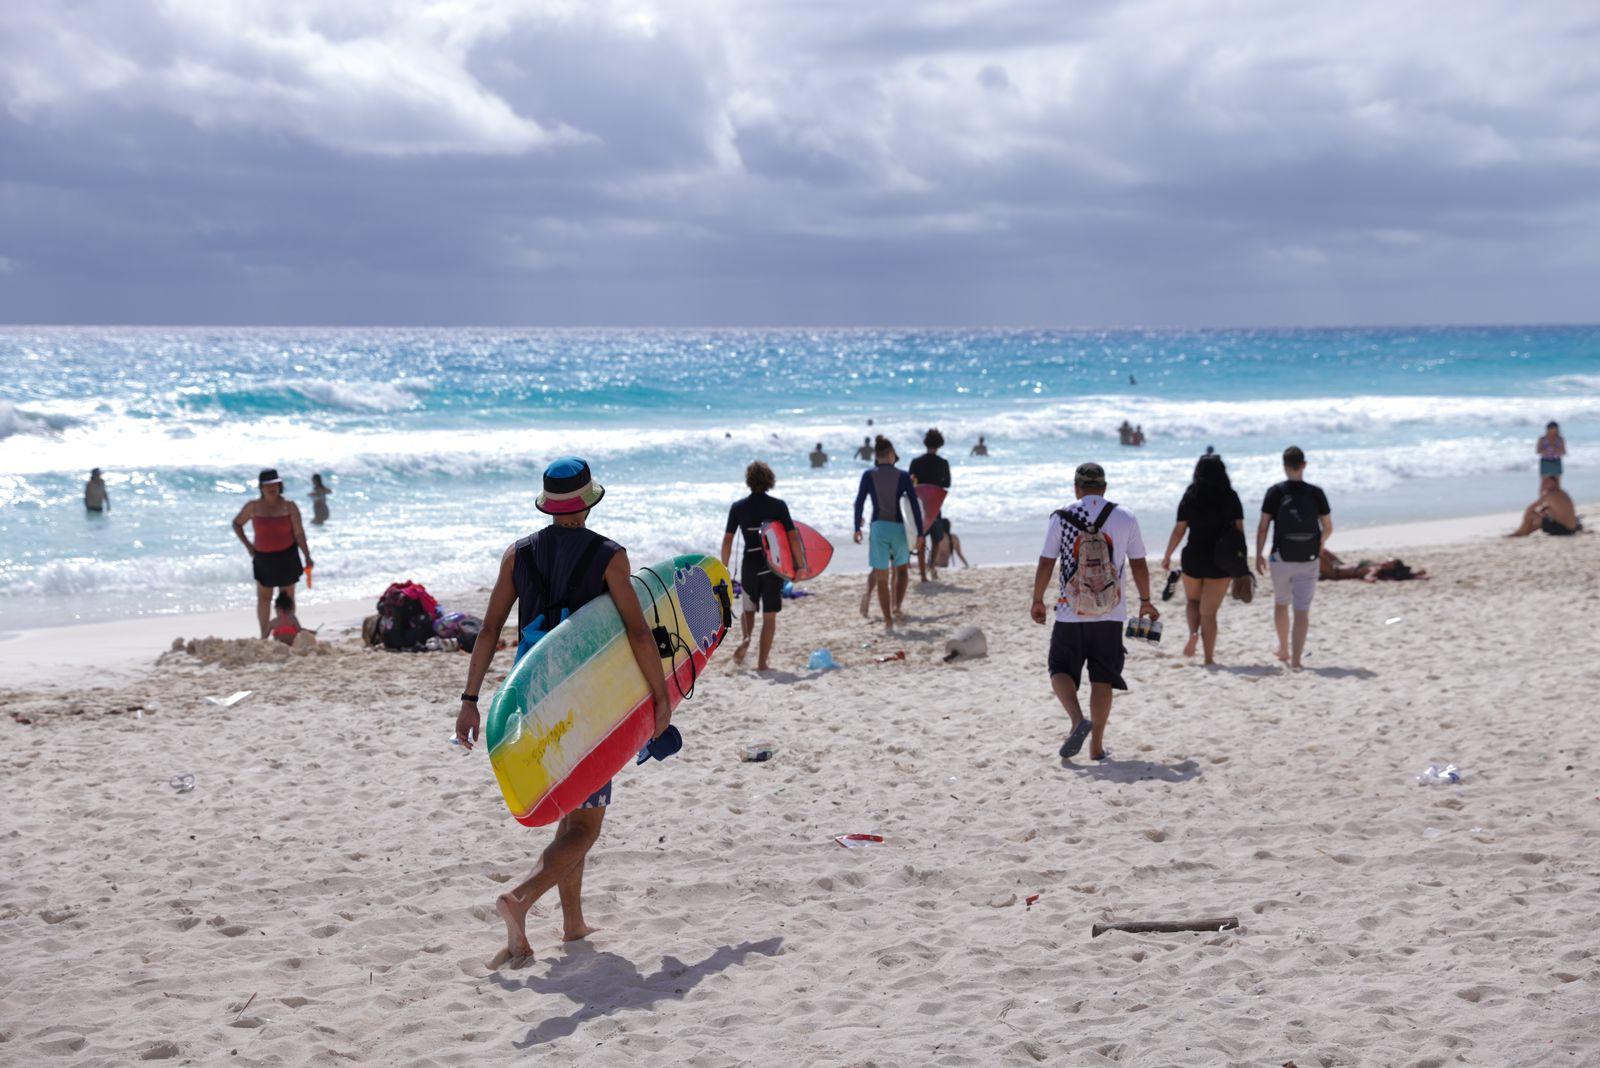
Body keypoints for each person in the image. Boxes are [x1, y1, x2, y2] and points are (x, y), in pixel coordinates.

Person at [453, 457, 672, 965]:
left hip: (527, 697)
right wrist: (661, 699)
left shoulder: (518, 554)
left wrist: (469, 702)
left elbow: (487, 631)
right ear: (589, 501)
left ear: (550, 506)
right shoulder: (609, 556)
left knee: (569, 810)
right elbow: (639, 633)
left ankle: (572, 923)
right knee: (586, 827)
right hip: (585, 703)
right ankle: (520, 898)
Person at [1031, 462, 1156, 762]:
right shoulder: (1125, 516)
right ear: (1105, 487)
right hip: (1111, 613)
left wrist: (1037, 599)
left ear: (1076, 488)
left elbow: (1047, 561)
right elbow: (1138, 563)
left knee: (1058, 668)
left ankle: (1076, 719)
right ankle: (1096, 747)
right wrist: (1146, 600)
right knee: (1103, 677)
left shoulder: (1061, 516)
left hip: (1070, 611)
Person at [721, 461, 805, 671]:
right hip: (772, 567)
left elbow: (728, 541)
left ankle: (747, 639)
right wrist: (799, 565)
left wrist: (723, 568)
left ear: (749, 481)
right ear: (770, 480)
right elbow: (792, 538)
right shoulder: (778, 506)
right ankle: (761, 663)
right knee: (769, 616)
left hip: (750, 564)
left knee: (748, 610)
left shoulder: (738, 507)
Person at [1161, 454, 1245, 665]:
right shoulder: (1231, 496)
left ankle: (1192, 633)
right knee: (1209, 614)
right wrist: (1241, 562)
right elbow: (1239, 531)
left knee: (1192, 601)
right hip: (1221, 560)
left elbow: (1179, 530)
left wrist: (1167, 554)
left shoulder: (1191, 495)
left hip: (1194, 557)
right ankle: (1208, 658)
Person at [1255, 446, 1333, 669]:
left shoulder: (1275, 492)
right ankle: (1297, 660)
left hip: (1281, 558)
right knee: (1302, 609)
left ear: (1284, 466)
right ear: (1304, 465)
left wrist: (1259, 553)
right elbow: (1327, 526)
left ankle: (1283, 650)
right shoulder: (1316, 493)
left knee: (1281, 603)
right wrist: (1320, 543)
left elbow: (1263, 527)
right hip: (1309, 558)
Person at [231, 469, 314, 640]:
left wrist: (306, 555)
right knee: (264, 598)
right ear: (261, 487)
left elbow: (299, 533)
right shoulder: (253, 507)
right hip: (263, 558)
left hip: (287, 555)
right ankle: (264, 635)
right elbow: (237, 524)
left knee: (287, 599)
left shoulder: (289, 506)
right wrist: (248, 546)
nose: (272, 488)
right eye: (268, 485)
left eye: (275, 484)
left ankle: (287, 634)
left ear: (280, 485)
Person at [853, 435, 924, 631]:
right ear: (891, 455)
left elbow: (859, 502)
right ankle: (897, 607)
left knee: (881, 577)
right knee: (901, 571)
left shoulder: (868, 475)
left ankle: (888, 621)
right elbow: (914, 506)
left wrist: (856, 528)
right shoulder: (902, 476)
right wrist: (919, 533)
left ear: (876, 456)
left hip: (879, 529)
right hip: (899, 529)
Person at [909, 428, 952, 582]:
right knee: (936, 539)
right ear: (939, 444)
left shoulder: (916, 462)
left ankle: (922, 575)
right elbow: (947, 483)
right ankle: (931, 566)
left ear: (926, 443)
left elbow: (910, 483)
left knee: (921, 539)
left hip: (919, 508)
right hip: (935, 507)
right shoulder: (943, 463)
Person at [1508, 474, 1581, 536]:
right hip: (1572, 529)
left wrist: (1542, 492)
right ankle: (1524, 533)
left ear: (1554, 482)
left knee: (1531, 514)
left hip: (1563, 530)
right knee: (1542, 518)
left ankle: (1519, 533)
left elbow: (1529, 509)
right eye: (1543, 482)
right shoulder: (1562, 492)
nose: (1544, 484)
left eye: (1546, 482)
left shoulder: (1549, 494)